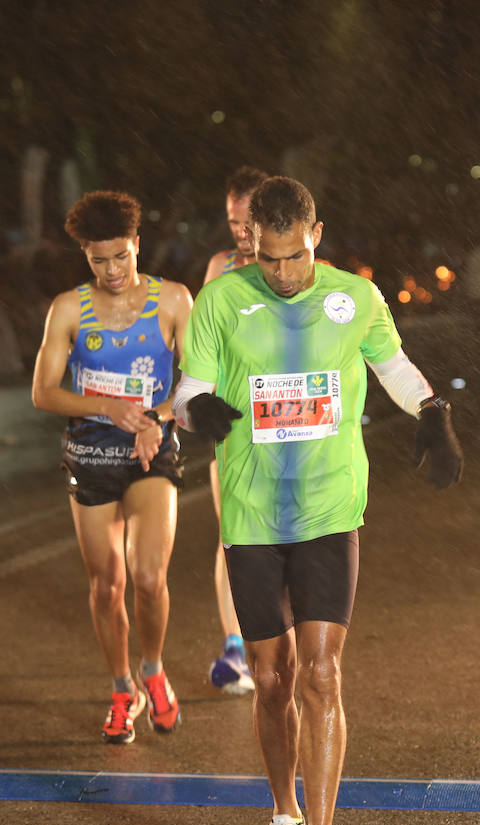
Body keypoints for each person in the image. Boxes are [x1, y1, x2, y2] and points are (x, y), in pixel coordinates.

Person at [173, 177, 463, 825]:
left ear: (317, 235)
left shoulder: (354, 298)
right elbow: (188, 387)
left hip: (331, 507)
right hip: (251, 510)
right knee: (270, 680)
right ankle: (283, 816)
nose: (281, 274)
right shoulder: (222, 299)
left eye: (293, 257)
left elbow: (392, 366)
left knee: (323, 673)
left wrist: (432, 411)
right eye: (268, 260)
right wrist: (193, 408)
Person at [32, 190, 193, 745]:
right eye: (99, 260)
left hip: (150, 451)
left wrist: (155, 419)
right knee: (107, 587)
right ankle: (123, 688)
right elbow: (43, 393)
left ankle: (154, 667)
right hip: (92, 455)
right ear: (85, 256)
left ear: (137, 245)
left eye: (121, 256)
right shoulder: (69, 309)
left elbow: (196, 384)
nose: (113, 270)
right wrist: (109, 408)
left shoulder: (173, 301)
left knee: (148, 578)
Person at [198, 165, 269, 696]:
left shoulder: (294, 267)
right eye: (233, 222)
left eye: (248, 222)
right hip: (234, 422)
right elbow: (202, 342)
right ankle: (234, 649)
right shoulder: (220, 268)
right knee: (233, 539)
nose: (240, 233)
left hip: (288, 424)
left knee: (290, 538)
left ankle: (282, 643)